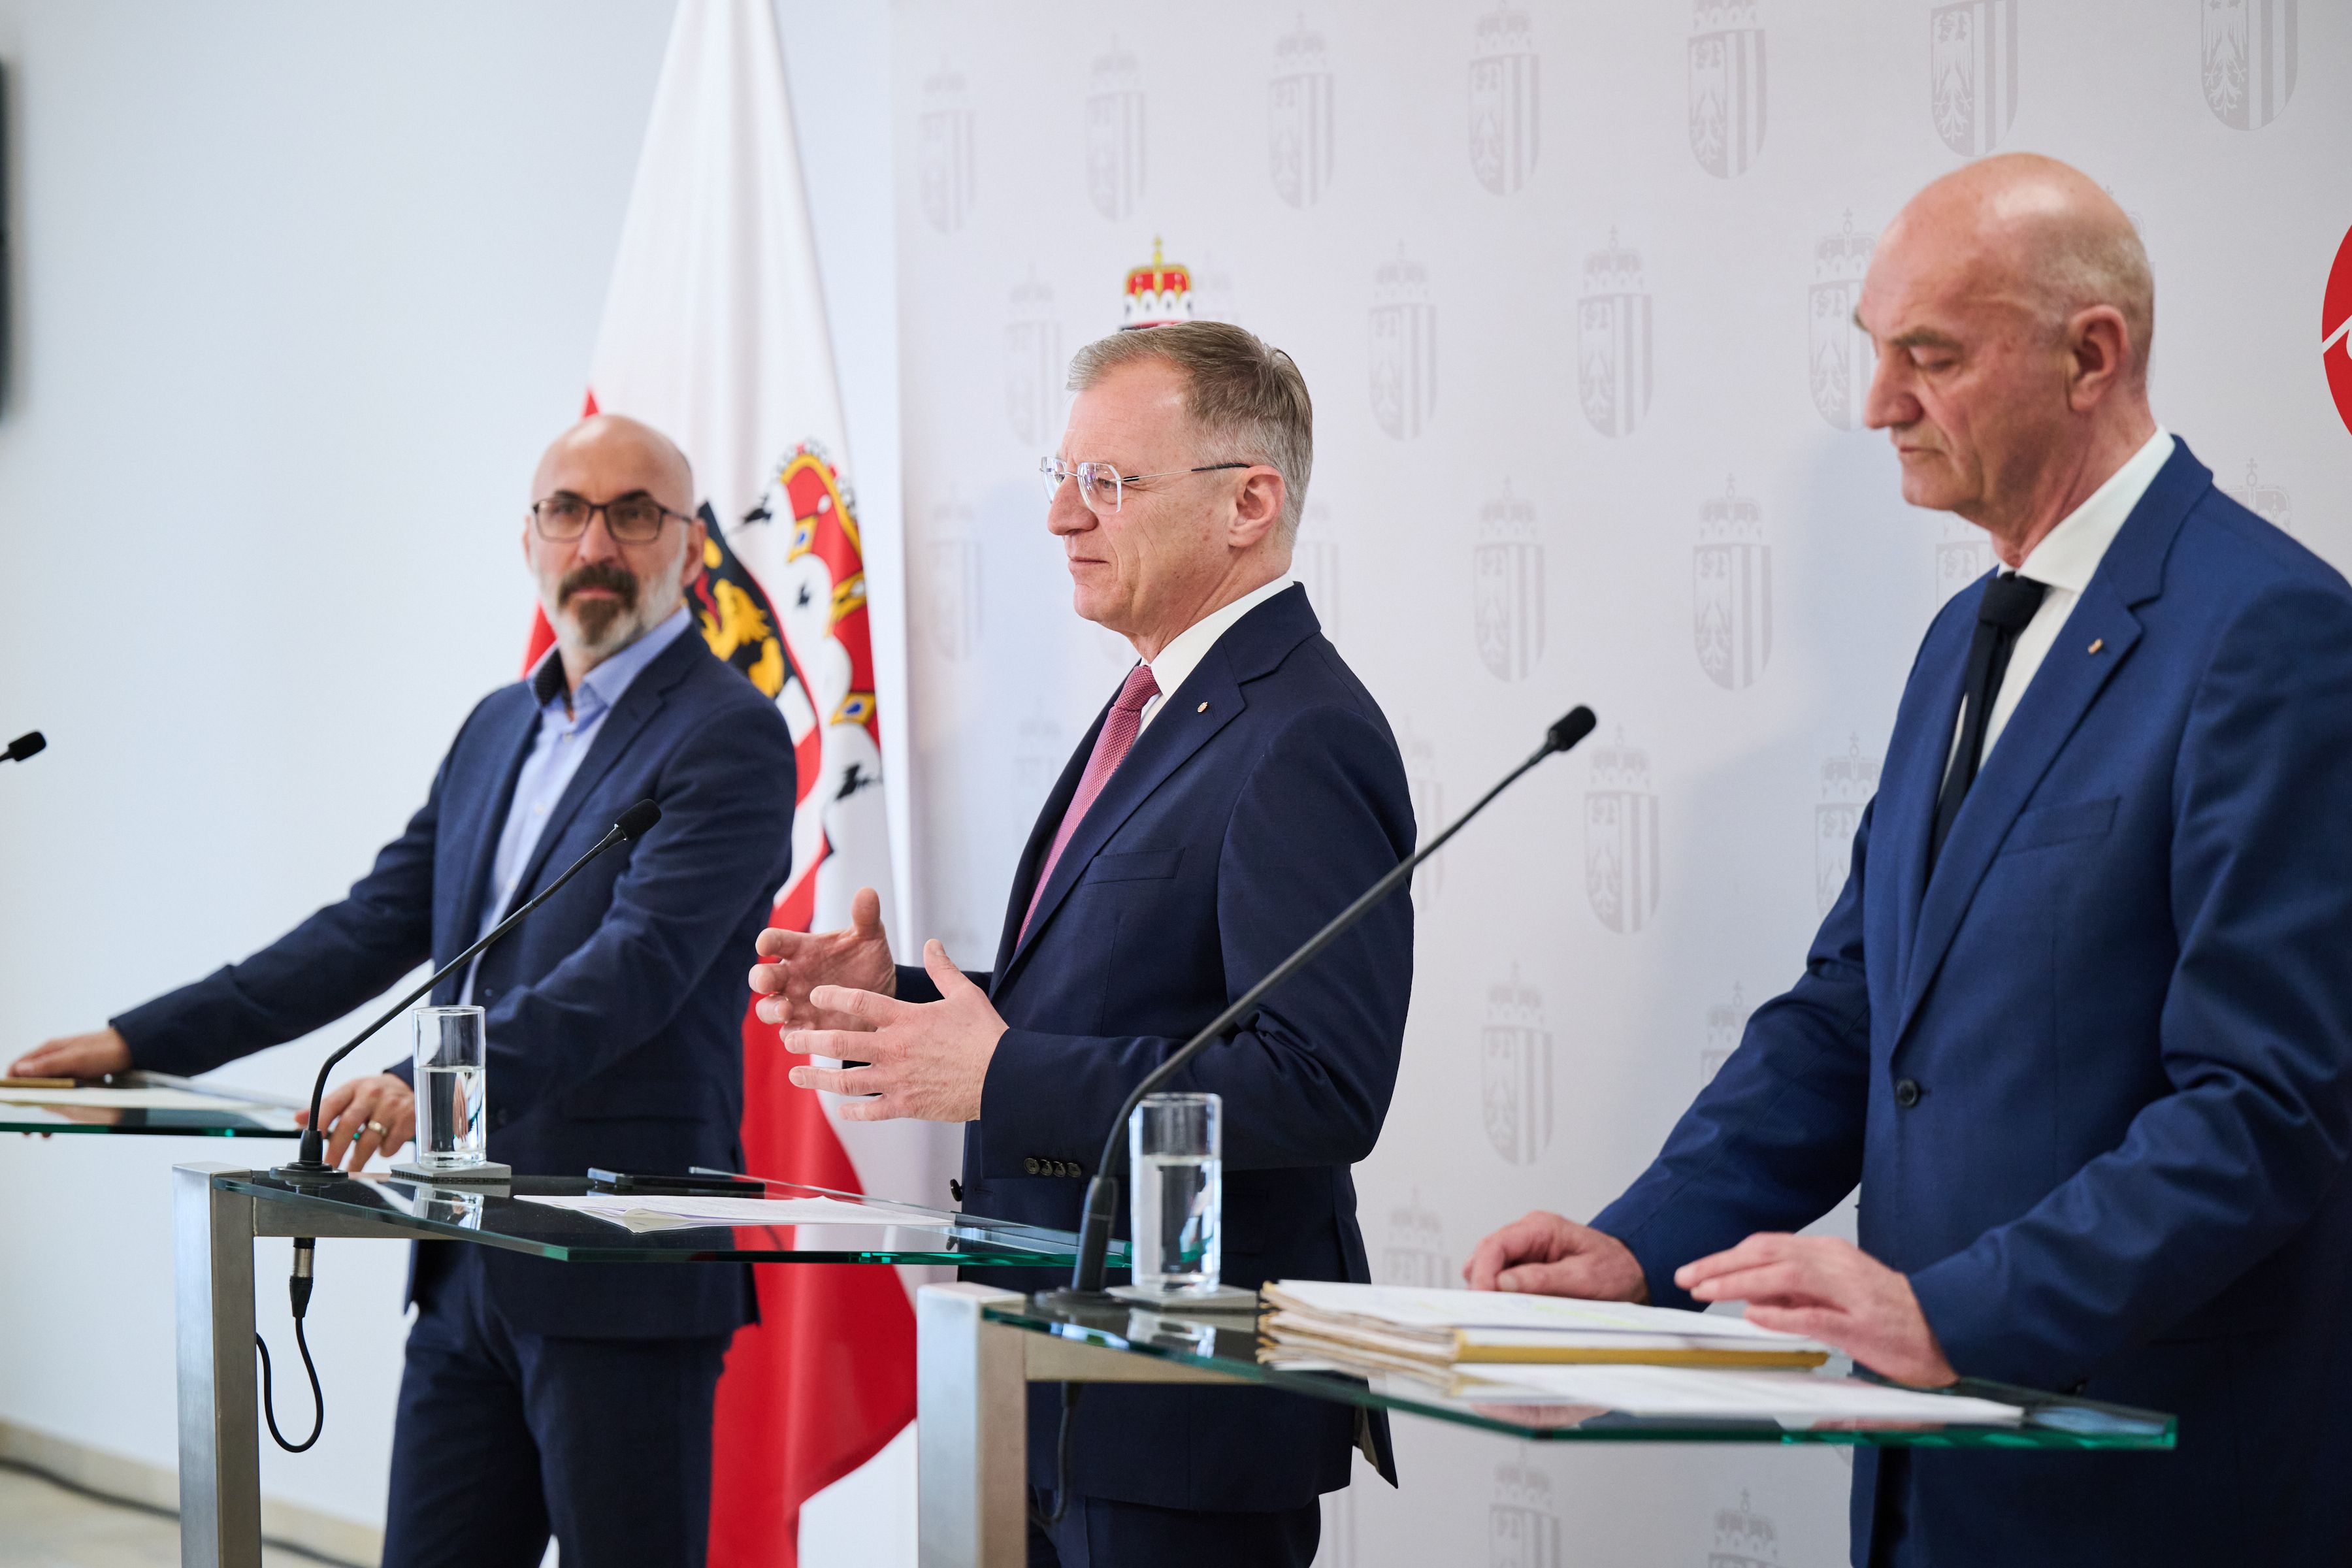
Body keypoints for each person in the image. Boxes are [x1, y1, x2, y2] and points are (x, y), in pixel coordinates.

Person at [1463, 152, 2352, 1566]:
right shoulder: (1962, 642)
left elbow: (2266, 1106)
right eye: (1877, 352)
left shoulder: (2273, 636)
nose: (1879, 404)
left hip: (2150, 1479)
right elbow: (1859, 1009)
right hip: (1927, 1476)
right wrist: (1644, 1251)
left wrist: (1958, 1312)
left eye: (1929, 357)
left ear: (2091, 356)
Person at [12, 414, 795, 1568]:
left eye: (636, 514)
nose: (598, 541)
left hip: (616, 1267)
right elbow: (366, 928)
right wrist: (140, 1034)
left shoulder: (731, 734)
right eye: (568, 511)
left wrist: (439, 1079)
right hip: (459, 1251)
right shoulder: (498, 727)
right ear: (528, 537)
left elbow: (639, 967)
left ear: (688, 545)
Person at [751, 321, 1414, 1567]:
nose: (1061, 517)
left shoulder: (1305, 733)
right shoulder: (1161, 703)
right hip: (1044, 1374)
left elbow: (1319, 1083)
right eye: (1063, 476)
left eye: (1106, 483)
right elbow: (1134, 994)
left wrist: (996, 1074)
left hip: (1182, 1413)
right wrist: (893, 1001)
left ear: (1249, 504)